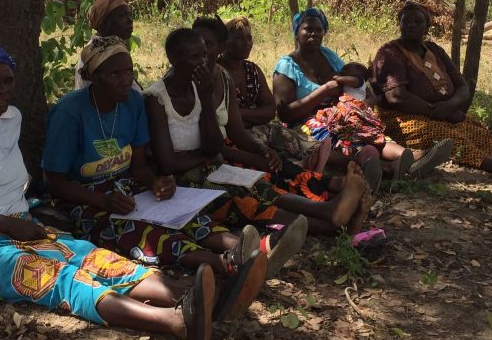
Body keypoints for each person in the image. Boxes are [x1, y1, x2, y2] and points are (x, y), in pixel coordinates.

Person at [0, 44, 261, 340]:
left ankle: (198, 300)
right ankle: (175, 322)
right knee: (59, 279)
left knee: (95, 258)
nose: (1, 90)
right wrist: (5, 224)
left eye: (7, 80)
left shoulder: (12, 117)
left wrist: (16, 224)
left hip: (22, 227)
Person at [43, 36, 267, 294]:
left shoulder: (132, 103)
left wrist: (155, 182)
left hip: (124, 186)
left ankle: (245, 248)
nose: (126, 79)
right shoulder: (70, 112)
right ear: (94, 76)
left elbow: (138, 166)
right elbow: (54, 182)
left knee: (182, 213)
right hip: (81, 197)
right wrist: (103, 201)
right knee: (142, 231)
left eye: (129, 71)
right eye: (115, 74)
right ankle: (224, 263)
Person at [146, 25, 373, 253]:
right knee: (240, 197)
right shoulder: (156, 97)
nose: (203, 62)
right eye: (196, 56)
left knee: (256, 184)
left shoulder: (199, 89)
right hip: (180, 181)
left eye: (204, 54)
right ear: (173, 58)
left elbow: (214, 145)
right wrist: (207, 157)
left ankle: (328, 211)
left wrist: (206, 101)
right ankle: (332, 220)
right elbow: (168, 163)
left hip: (208, 165)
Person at [371, 2, 492, 181]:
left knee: (477, 132)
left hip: (441, 112)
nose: (411, 25)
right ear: (399, 24)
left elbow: (462, 86)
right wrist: (436, 111)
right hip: (402, 117)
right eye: (406, 21)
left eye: (418, 21)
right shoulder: (390, 53)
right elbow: (396, 97)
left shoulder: (434, 49)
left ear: (427, 27)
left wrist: (449, 106)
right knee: (448, 137)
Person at [272, 7, 451, 181]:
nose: (314, 34)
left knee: (364, 128)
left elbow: (356, 80)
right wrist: (324, 91)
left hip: (340, 112)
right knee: (331, 135)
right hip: (305, 122)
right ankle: (383, 167)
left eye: (318, 30)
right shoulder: (286, 66)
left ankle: (409, 156)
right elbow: (285, 113)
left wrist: (368, 99)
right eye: (308, 29)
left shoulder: (329, 57)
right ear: (296, 32)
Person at [218, 16, 321, 165]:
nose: (247, 43)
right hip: (235, 136)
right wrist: (250, 116)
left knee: (303, 143)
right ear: (224, 43)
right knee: (271, 158)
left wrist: (239, 114)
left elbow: (269, 111)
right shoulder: (217, 73)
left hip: (260, 128)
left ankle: (356, 162)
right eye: (240, 39)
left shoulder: (252, 70)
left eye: (249, 38)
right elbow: (227, 122)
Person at [75, 0, 138, 90]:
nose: (130, 20)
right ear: (104, 24)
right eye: (122, 16)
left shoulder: (109, 47)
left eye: (130, 15)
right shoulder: (101, 52)